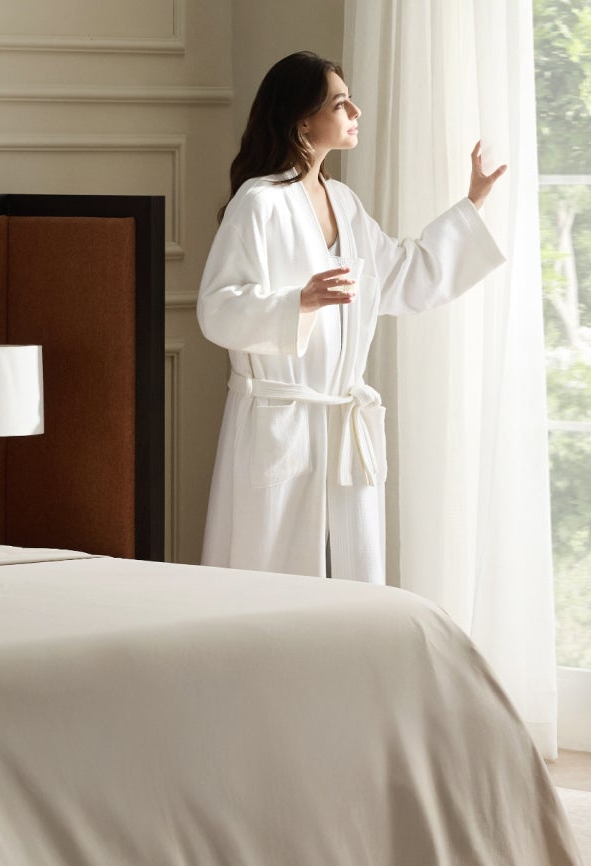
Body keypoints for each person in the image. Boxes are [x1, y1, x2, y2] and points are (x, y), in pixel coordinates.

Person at [198, 50, 507, 582]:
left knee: (349, 579)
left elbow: (404, 274)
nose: (355, 111)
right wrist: (299, 302)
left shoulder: (344, 202)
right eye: (341, 103)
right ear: (303, 121)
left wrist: (472, 204)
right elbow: (217, 309)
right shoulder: (260, 203)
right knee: (270, 582)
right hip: (279, 423)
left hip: (342, 420)